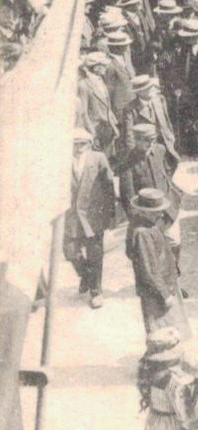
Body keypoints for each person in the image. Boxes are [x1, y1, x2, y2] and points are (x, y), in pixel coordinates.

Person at [127, 188, 188, 338]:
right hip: (156, 293)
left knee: (171, 331)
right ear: (144, 211)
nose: (161, 214)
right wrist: (165, 295)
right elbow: (149, 269)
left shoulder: (143, 224)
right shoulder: (142, 233)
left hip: (163, 287)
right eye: (156, 211)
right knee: (163, 334)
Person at [68, 128, 117, 308]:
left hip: (93, 213)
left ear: (89, 144)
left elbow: (109, 185)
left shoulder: (98, 158)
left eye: (83, 143)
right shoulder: (63, 161)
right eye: (75, 144)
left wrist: (111, 213)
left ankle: (96, 290)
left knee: (95, 253)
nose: (79, 148)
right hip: (72, 215)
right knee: (70, 251)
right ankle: (86, 276)